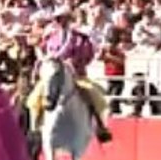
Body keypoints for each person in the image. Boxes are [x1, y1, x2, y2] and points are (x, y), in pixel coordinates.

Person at [33, 9, 112, 143]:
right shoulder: (50, 37)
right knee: (33, 99)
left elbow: (88, 55)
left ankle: (100, 127)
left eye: (62, 19)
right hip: (53, 75)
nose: (59, 22)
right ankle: (35, 129)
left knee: (94, 96)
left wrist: (74, 62)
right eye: (57, 19)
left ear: (68, 20)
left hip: (76, 75)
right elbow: (43, 55)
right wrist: (39, 67)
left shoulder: (80, 38)